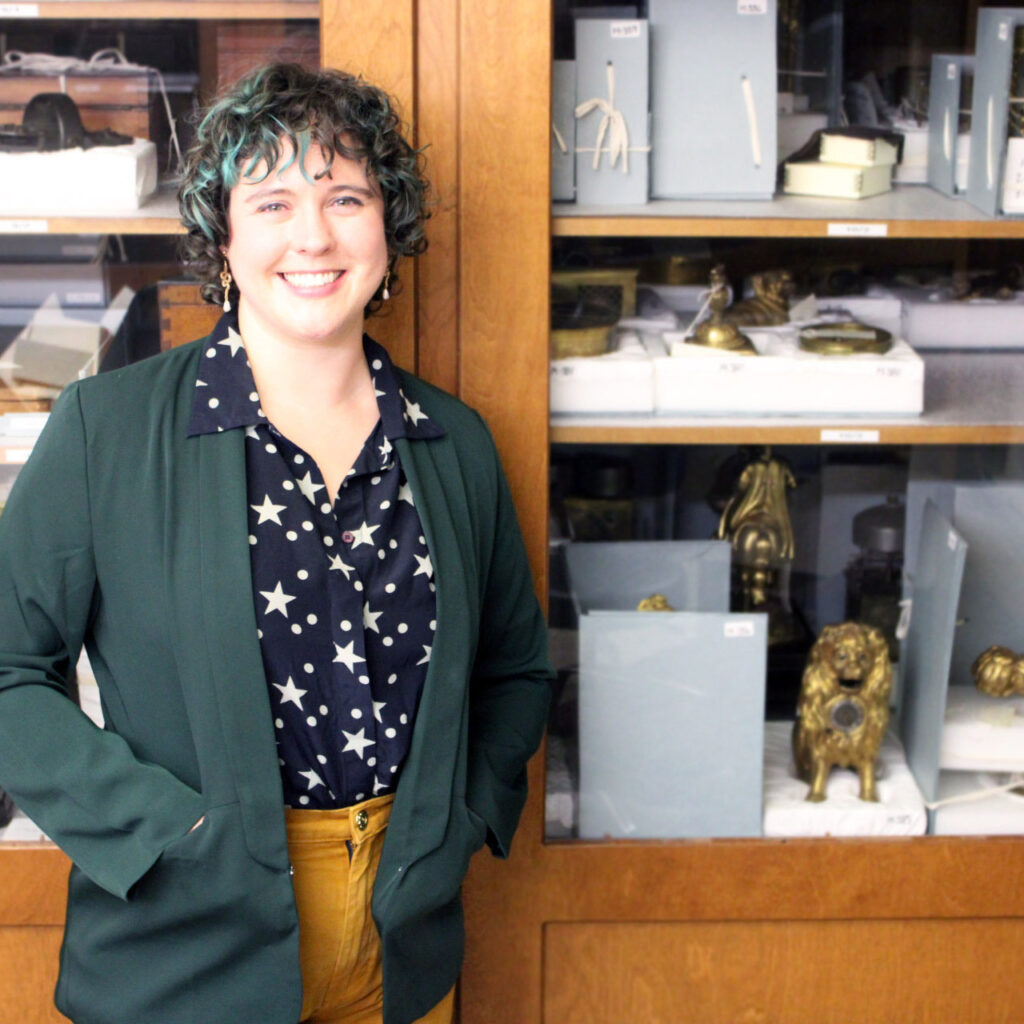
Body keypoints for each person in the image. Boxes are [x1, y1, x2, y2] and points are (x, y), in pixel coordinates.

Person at [0, 62, 552, 1024]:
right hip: (181, 956)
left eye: (347, 196)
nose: (314, 235)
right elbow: (6, 673)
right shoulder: (106, 429)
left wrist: (461, 822)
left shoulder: (453, 441)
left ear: (390, 229)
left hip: (401, 954)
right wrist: (168, 832)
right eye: (273, 202)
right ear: (223, 237)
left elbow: (516, 671)